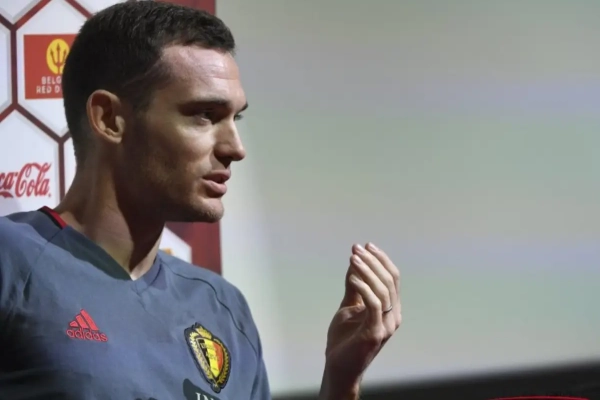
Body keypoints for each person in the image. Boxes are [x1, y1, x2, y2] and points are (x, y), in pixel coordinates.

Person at [0, 2, 401, 399]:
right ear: (109, 119)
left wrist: (341, 380)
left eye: (235, 118)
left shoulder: (222, 308)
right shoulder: (11, 260)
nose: (235, 148)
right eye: (205, 115)